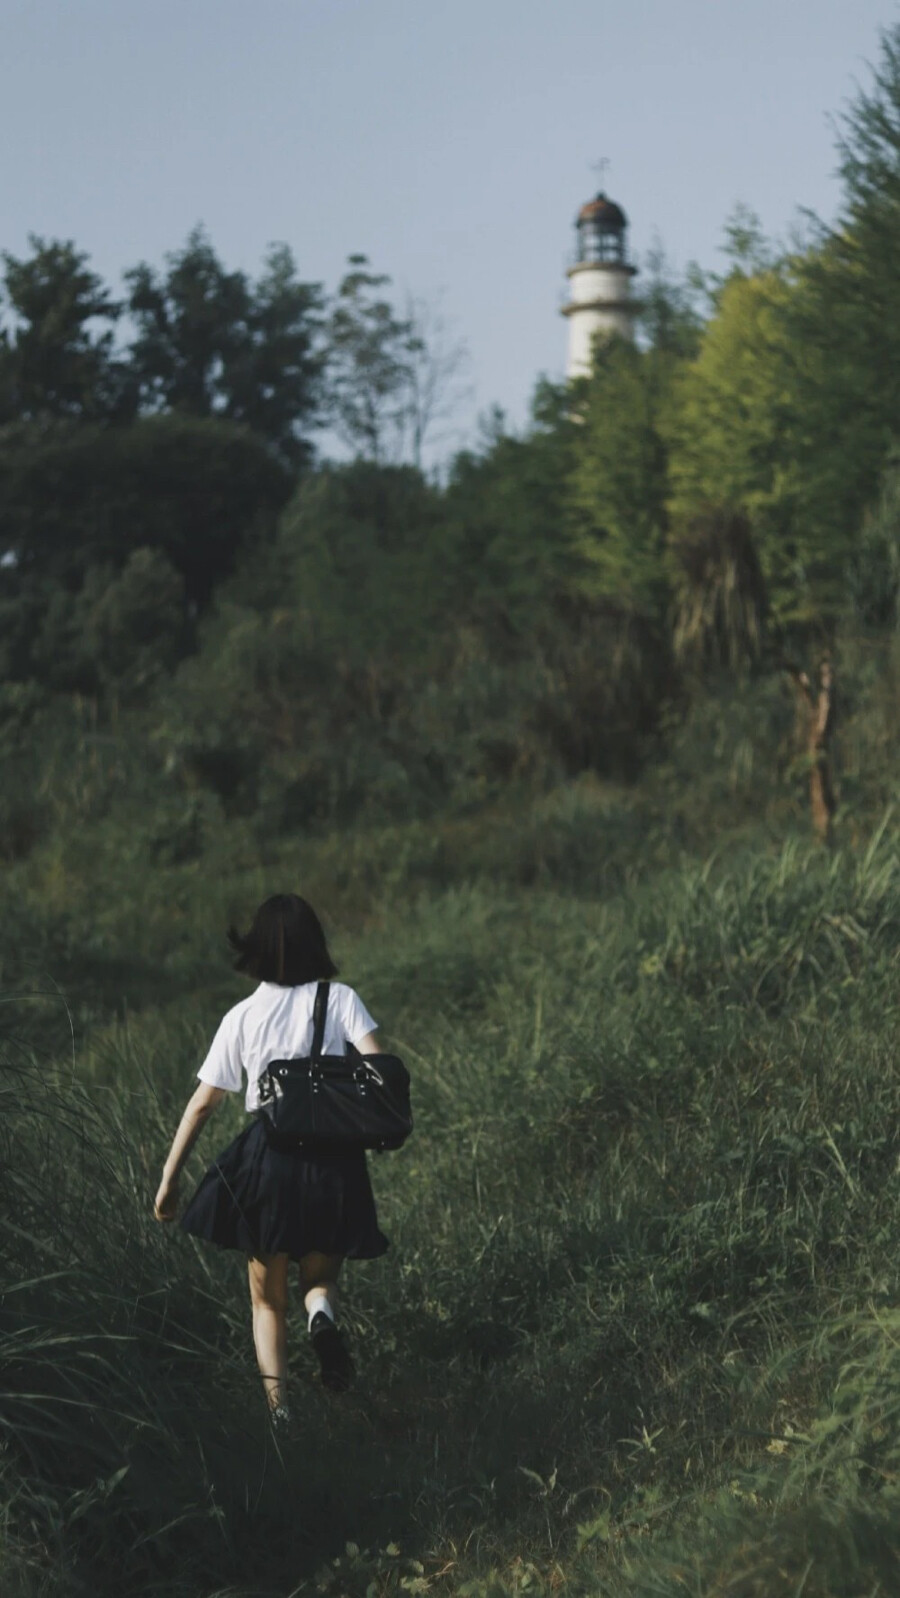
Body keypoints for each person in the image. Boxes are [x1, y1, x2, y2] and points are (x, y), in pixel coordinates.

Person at [153, 893, 388, 1424]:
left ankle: (281, 1418)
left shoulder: (242, 1016)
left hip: (269, 1163)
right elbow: (381, 1070)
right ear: (316, 943)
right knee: (320, 1277)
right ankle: (322, 1313)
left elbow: (202, 1106)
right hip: (335, 1161)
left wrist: (169, 1181)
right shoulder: (342, 999)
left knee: (267, 1301)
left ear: (257, 950)